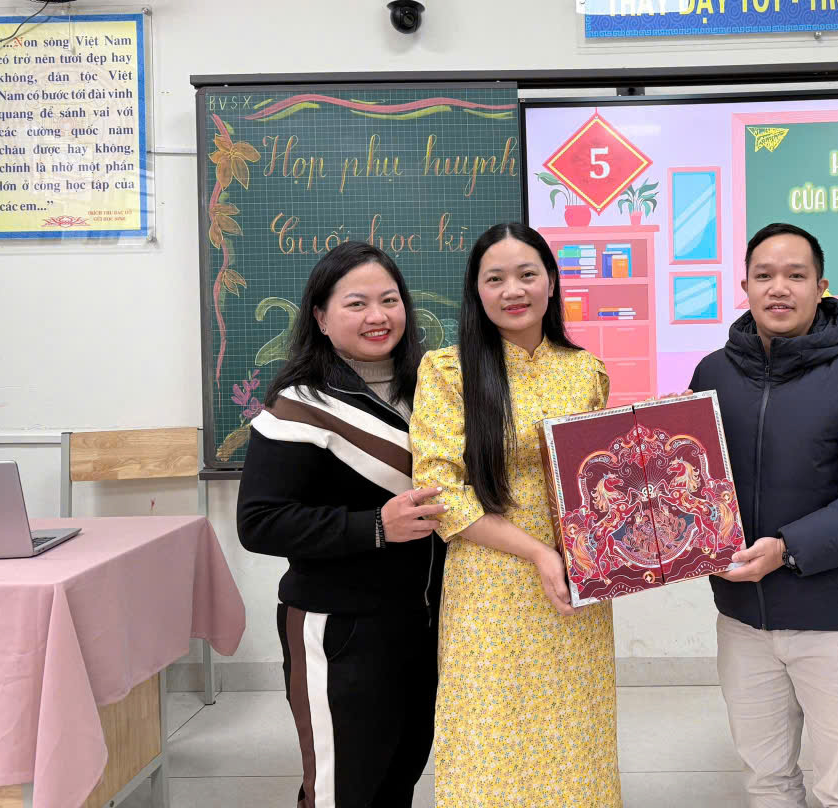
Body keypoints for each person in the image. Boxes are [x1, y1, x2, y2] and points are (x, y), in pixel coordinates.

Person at [688, 222, 838, 808]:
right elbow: (688, 485)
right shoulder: (711, 374)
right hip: (742, 620)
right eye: (764, 275)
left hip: (836, 624)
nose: (779, 288)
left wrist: (786, 549)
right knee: (766, 782)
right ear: (744, 285)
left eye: (796, 275)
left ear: (821, 287)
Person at [410, 222, 620, 807]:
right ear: (476, 291)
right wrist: (537, 552)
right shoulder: (447, 370)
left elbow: (598, 479)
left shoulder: (585, 370)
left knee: (575, 730)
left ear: (551, 281)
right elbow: (440, 492)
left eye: (527, 274)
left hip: (575, 579)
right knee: (489, 731)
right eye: (495, 279)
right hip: (489, 580)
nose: (513, 290)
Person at [236, 241, 446, 808]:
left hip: (423, 623)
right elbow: (259, 522)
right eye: (357, 304)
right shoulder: (298, 405)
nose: (378, 316)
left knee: (398, 775)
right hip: (338, 627)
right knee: (341, 789)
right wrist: (374, 525)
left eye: (390, 300)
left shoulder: (434, 393)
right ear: (321, 318)